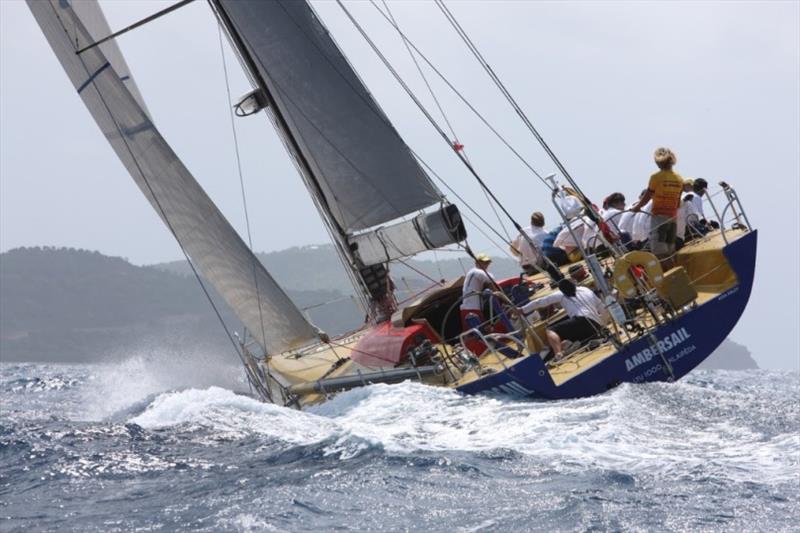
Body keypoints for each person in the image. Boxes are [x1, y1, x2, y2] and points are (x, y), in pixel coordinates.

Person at [520, 279, 606, 360]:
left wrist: (523, 309)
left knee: (550, 331)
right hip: (596, 326)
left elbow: (540, 302)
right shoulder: (586, 290)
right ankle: (576, 344)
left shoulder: (561, 294)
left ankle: (558, 355)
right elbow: (603, 309)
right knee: (564, 341)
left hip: (581, 321)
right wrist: (603, 326)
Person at [632, 147, 684, 267]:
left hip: (659, 218)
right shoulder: (679, 178)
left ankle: (674, 277)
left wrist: (637, 207)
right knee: (670, 251)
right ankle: (679, 274)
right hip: (673, 218)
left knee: (659, 252)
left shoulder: (656, 177)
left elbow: (647, 196)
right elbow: (678, 203)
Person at [460, 253, 495, 336]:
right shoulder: (478, 272)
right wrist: (502, 297)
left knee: (470, 333)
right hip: (473, 309)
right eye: (483, 262)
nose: (486, 264)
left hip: (466, 308)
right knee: (481, 334)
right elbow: (492, 284)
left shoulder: (471, 273)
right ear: (476, 263)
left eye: (487, 262)